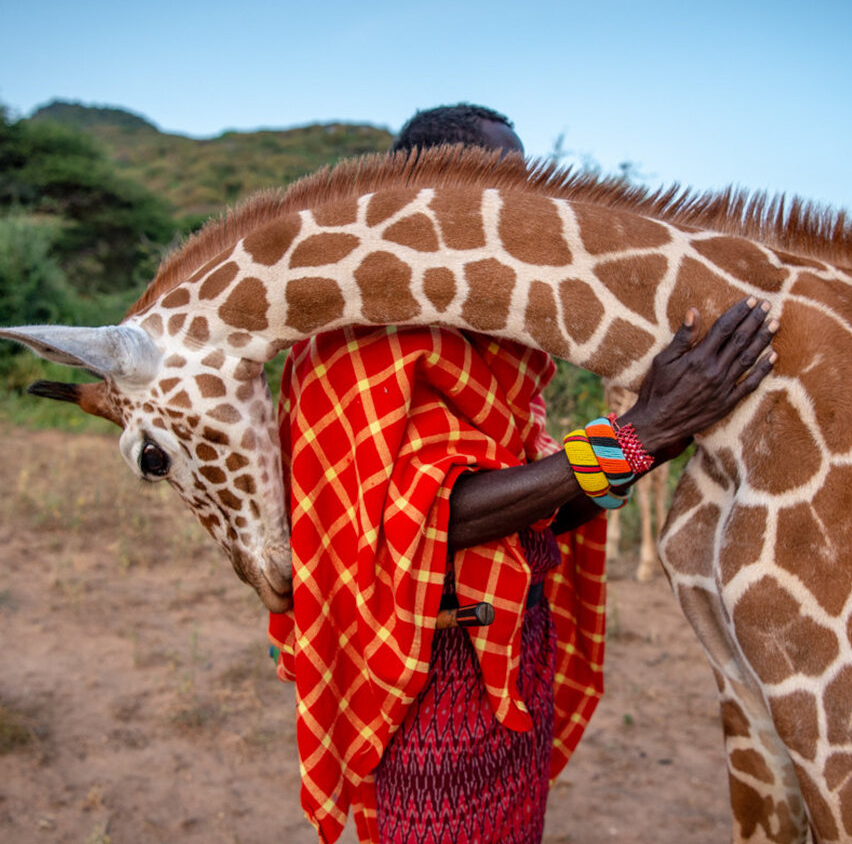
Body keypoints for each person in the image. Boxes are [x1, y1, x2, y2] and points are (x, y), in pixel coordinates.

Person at [267, 104, 776, 844]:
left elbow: (538, 509)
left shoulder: (497, 350)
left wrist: (659, 437)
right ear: (429, 195)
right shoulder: (351, 342)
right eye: (505, 186)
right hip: (425, 680)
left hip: (513, 657)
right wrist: (641, 434)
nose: (526, 210)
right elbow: (436, 516)